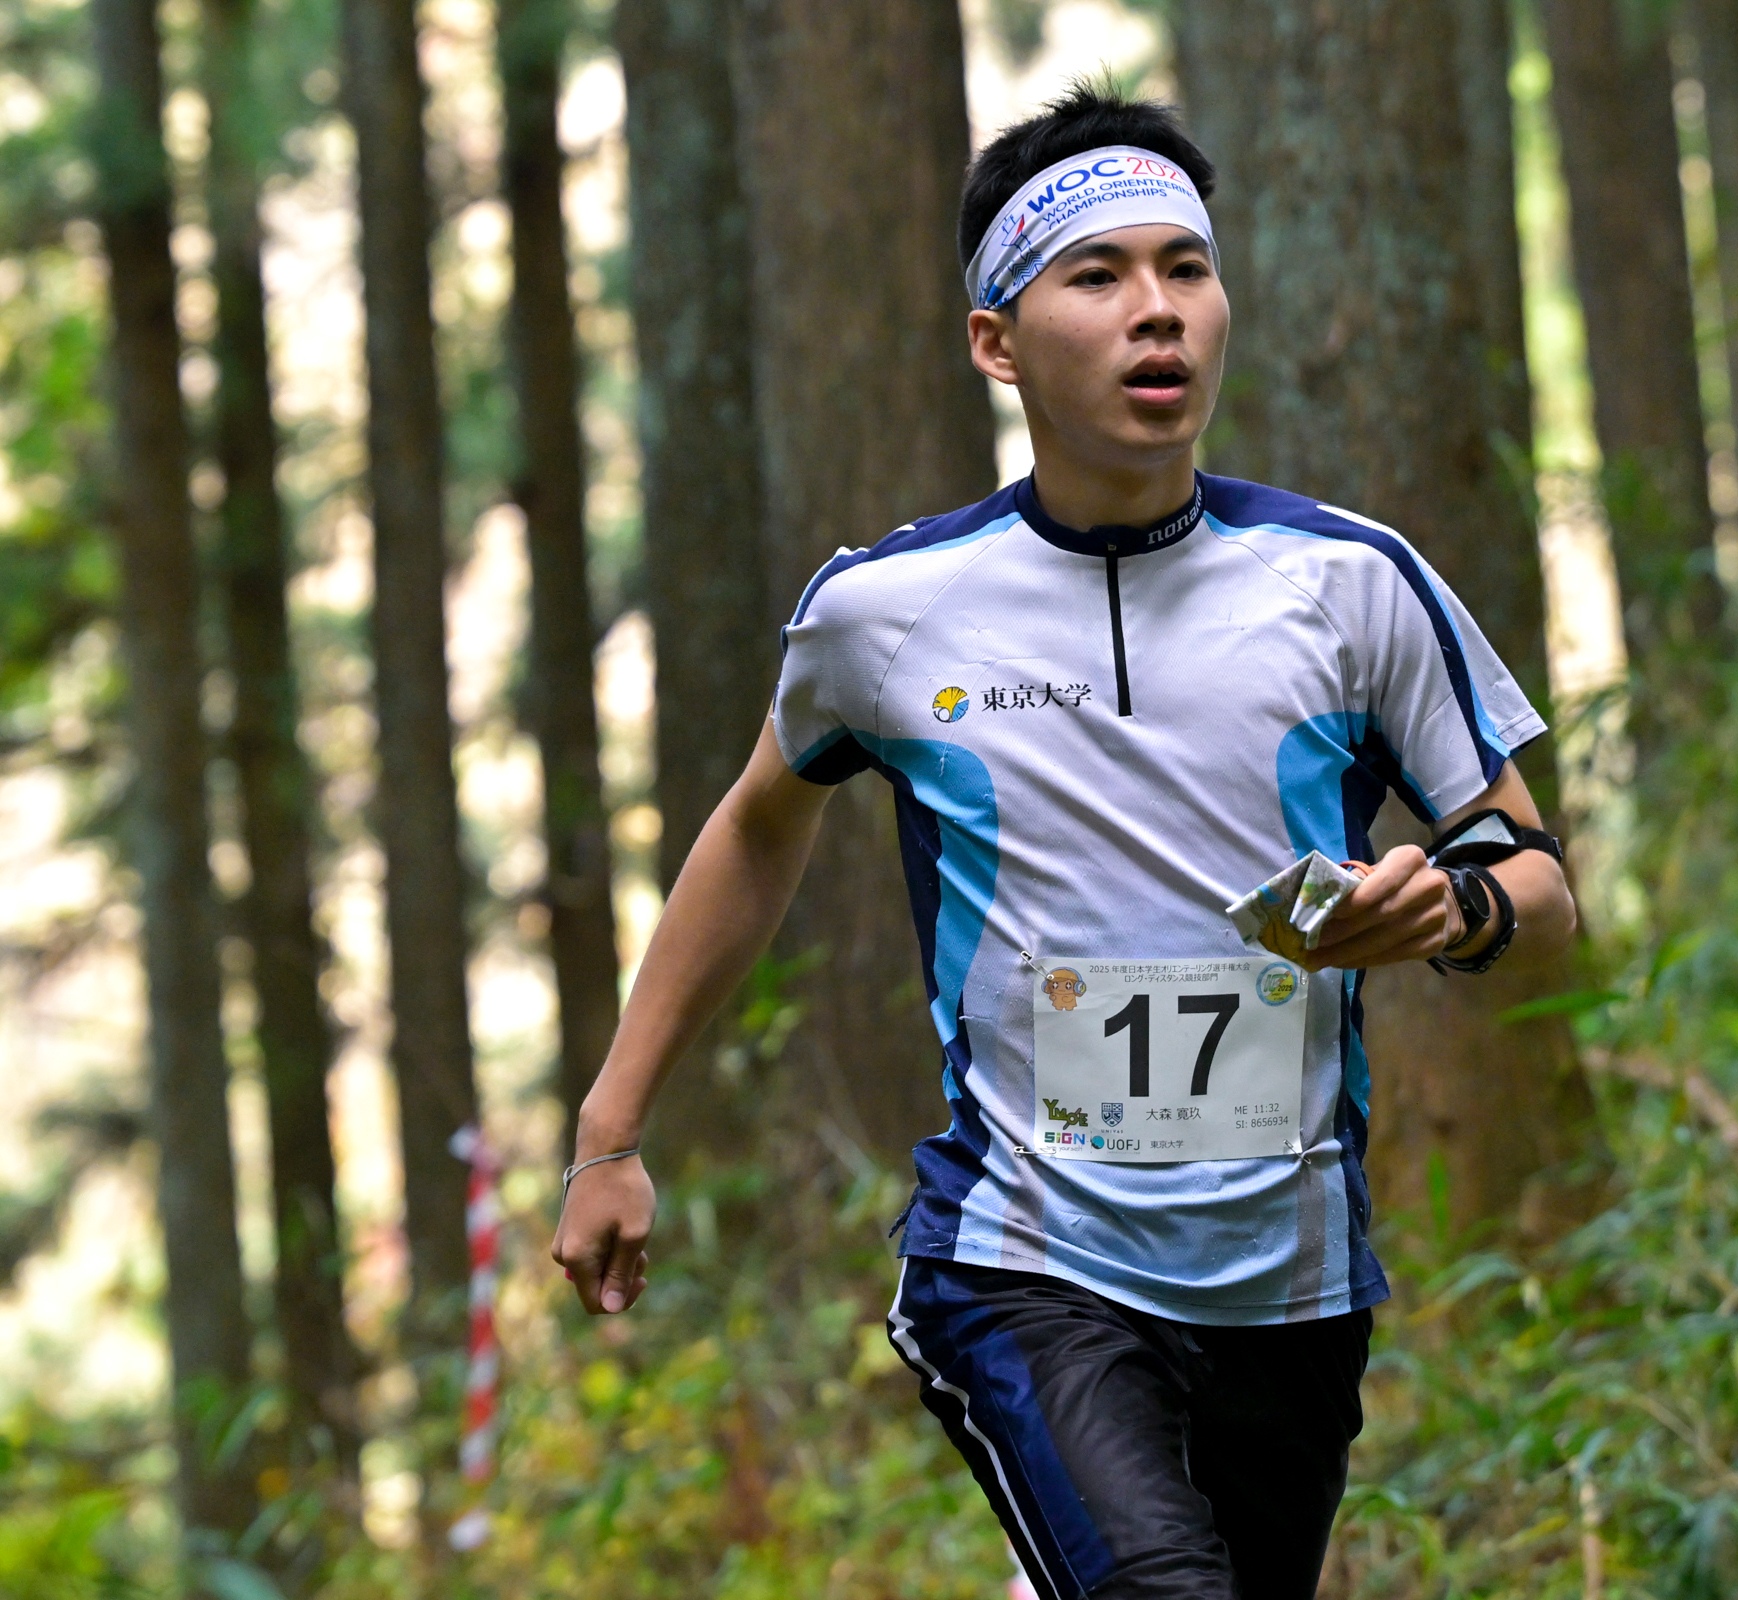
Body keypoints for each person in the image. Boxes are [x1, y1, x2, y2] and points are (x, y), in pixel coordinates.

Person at [552, 84, 1577, 1600]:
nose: (1156, 311)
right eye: (1098, 276)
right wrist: (612, 1130)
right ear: (998, 341)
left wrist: (1452, 914)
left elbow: (1537, 882)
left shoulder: (1353, 584)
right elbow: (758, 827)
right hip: (1026, 1260)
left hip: (1291, 1282)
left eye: (1186, 268)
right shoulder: (888, 615)